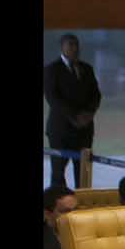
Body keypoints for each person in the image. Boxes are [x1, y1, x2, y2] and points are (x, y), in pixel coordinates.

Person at [44, 35, 102, 188]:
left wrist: (88, 114)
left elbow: (96, 94)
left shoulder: (87, 69)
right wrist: (74, 117)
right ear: (62, 47)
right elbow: (52, 98)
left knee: (83, 171)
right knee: (58, 171)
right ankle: (57, 205)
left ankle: (83, 204)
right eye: (70, 45)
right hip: (61, 130)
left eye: (76, 45)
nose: (75, 48)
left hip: (84, 130)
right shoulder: (52, 70)